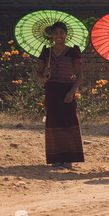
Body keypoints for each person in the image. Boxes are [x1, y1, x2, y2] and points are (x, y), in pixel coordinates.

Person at [36, 22, 84, 169]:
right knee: (53, 123)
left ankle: (68, 158)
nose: (59, 35)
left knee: (69, 123)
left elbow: (80, 75)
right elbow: (38, 74)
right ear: (51, 35)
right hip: (51, 92)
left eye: (61, 32)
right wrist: (44, 75)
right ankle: (56, 158)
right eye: (55, 33)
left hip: (67, 91)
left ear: (66, 34)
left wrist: (72, 92)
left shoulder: (72, 52)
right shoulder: (46, 52)